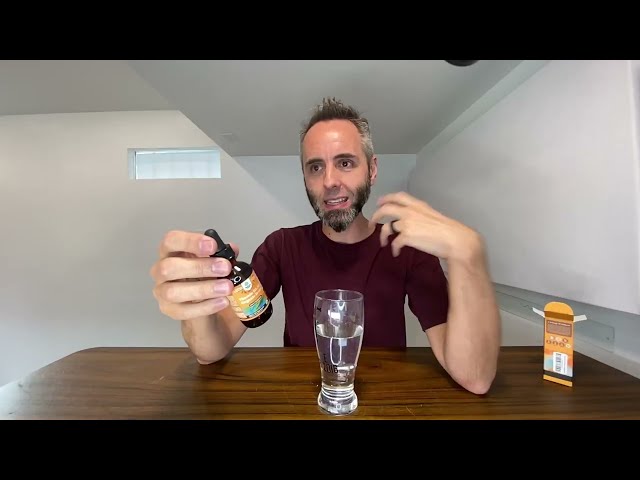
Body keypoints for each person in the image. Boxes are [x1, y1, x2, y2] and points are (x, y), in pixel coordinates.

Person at [150, 97, 501, 395]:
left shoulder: (406, 248)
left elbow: (475, 377)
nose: (330, 181)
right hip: (303, 404)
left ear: (372, 169)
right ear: (305, 177)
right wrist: (197, 302)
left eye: (345, 163)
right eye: (316, 167)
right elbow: (211, 350)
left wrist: (470, 255)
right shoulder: (281, 246)